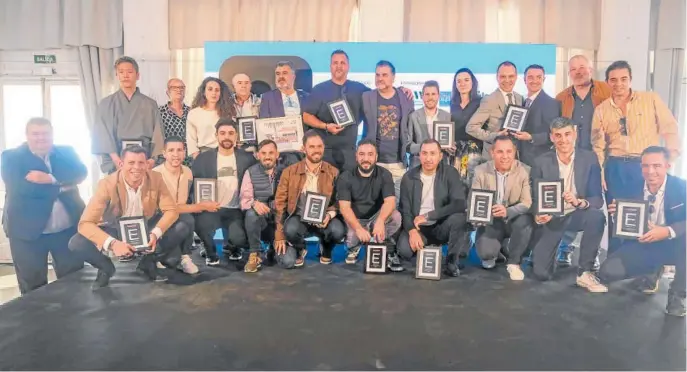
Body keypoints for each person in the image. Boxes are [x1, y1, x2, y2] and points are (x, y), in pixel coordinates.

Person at [592, 60, 681, 255]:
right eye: (613, 80)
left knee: (647, 215)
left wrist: (670, 159)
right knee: (617, 214)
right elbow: (598, 146)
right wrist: (600, 173)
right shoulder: (601, 109)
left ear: (630, 80)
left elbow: (670, 128)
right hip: (615, 167)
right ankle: (616, 260)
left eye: (624, 79)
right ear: (607, 82)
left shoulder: (650, 100)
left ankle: (648, 268)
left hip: (645, 165)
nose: (619, 84)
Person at [67, 146, 181, 289]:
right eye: (131, 163)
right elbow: (85, 223)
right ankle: (106, 267)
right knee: (76, 243)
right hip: (115, 228)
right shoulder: (106, 184)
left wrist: (155, 233)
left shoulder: (156, 178)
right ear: (121, 164)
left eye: (141, 163)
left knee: (183, 224)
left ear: (147, 164)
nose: (137, 167)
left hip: (145, 227)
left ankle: (147, 263)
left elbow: (172, 210)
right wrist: (113, 244)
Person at [1, 118, 86, 294]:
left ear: (52, 134)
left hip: (67, 231)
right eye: (35, 134)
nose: (41, 138)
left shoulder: (67, 152)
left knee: (74, 282)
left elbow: (80, 172)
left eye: (45, 133)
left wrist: (49, 179)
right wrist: (63, 185)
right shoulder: (11, 157)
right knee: (33, 287)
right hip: (27, 232)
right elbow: (21, 189)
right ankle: (36, 322)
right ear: (26, 136)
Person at [598, 146, 686, 317]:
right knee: (608, 271)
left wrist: (667, 231)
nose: (650, 171)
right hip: (644, 243)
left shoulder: (682, 187)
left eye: (656, 166)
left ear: (667, 166)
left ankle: (678, 294)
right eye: (645, 166)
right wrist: (618, 214)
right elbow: (625, 228)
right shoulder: (630, 188)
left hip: (677, 244)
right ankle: (652, 272)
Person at [302, 50, 413, 172]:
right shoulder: (319, 89)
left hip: (350, 153)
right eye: (335, 63)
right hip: (325, 151)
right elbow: (306, 116)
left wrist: (401, 90)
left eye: (342, 63)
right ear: (330, 66)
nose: (339, 66)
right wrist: (326, 126)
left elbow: (383, 91)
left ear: (348, 66)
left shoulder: (360, 90)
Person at [529, 117, 606, 292]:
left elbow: (597, 199)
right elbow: (534, 197)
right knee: (541, 274)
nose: (563, 140)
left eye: (567, 134)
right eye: (558, 135)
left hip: (578, 213)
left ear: (575, 134)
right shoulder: (541, 161)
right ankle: (546, 252)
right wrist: (538, 214)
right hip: (553, 217)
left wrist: (579, 201)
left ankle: (585, 271)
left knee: (596, 216)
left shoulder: (589, 158)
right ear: (551, 137)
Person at [555, 55, 611, 266]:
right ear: (569, 73)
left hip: (598, 157)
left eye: (582, 68)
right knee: (569, 201)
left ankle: (591, 252)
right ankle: (565, 248)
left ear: (591, 69)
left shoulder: (606, 91)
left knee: (594, 205)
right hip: (570, 157)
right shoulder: (561, 97)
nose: (578, 72)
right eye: (573, 69)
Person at [273, 130, 346, 267]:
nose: (316, 150)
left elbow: (339, 201)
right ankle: (300, 248)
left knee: (338, 231)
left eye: (319, 146)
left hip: (324, 218)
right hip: (299, 217)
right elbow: (280, 203)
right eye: (312, 147)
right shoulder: (289, 172)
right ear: (303, 149)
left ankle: (326, 248)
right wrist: (279, 233)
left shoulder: (333, 172)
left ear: (324, 148)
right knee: (289, 239)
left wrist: (329, 215)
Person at [398, 139, 468, 277]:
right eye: (424, 153)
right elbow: (404, 210)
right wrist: (412, 231)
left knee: (460, 218)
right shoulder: (408, 177)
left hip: (441, 225)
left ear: (440, 156)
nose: (428, 158)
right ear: (419, 155)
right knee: (404, 251)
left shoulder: (450, 173)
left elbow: (459, 203)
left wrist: (429, 216)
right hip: (419, 229)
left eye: (432, 153)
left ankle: (451, 261)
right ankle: (427, 250)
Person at [192, 118, 257, 265]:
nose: (226, 136)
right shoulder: (203, 159)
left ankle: (233, 246)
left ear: (236, 136)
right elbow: (194, 187)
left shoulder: (247, 159)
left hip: (235, 209)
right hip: (212, 208)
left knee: (239, 238)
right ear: (216, 136)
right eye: (222, 133)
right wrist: (200, 205)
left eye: (230, 133)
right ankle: (210, 251)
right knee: (200, 222)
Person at [471, 135, 533, 280]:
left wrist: (508, 211)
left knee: (525, 221)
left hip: (514, 218)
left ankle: (514, 263)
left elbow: (527, 202)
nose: (505, 156)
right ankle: (500, 248)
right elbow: (474, 199)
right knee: (487, 257)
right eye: (500, 152)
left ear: (514, 152)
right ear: (492, 153)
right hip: (491, 220)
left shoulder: (525, 170)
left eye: (508, 151)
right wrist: (478, 217)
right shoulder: (480, 170)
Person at [152, 136, 216, 275]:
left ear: (185, 152)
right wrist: (201, 206)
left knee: (187, 219)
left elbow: (182, 203)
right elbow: (168, 208)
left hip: (178, 216)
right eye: (171, 150)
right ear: (164, 153)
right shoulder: (155, 174)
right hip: (158, 220)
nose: (176, 154)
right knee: (186, 220)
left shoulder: (188, 171)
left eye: (180, 150)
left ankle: (184, 257)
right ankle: (154, 256)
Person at [337, 139, 402, 270]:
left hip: (375, 218)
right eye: (361, 154)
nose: (366, 158)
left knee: (396, 217)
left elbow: (390, 201)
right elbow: (344, 208)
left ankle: (384, 243)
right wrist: (358, 228)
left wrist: (380, 221)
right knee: (351, 238)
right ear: (356, 156)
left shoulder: (385, 174)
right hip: (356, 219)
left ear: (376, 157)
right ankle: (354, 248)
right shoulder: (345, 176)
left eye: (370, 154)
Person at [92, 56, 164, 174]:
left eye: (130, 72)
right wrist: (116, 159)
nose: (125, 75)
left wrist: (152, 160)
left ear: (138, 75)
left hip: (143, 160)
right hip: (117, 159)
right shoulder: (106, 104)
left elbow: (158, 134)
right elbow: (102, 135)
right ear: (117, 75)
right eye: (121, 72)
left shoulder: (150, 104)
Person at [361, 60, 414, 199]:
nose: (380, 78)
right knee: (373, 203)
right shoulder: (366, 97)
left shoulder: (406, 97)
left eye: (384, 75)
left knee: (395, 206)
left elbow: (412, 127)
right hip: (374, 161)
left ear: (393, 77)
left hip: (398, 162)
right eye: (377, 74)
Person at [466, 61, 524, 160]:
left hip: (514, 158)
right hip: (493, 158)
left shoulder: (520, 98)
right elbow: (471, 127)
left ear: (516, 77)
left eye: (511, 76)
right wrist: (495, 136)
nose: (507, 80)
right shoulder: (489, 99)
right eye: (503, 76)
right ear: (497, 77)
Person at [239, 139, 282, 273]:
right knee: (251, 213)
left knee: (287, 261)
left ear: (277, 154)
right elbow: (244, 200)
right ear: (257, 155)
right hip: (262, 221)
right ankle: (254, 254)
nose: (267, 156)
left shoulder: (286, 171)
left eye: (271, 153)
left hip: (280, 222)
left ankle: (274, 248)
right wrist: (254, 202)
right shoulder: (250, 172)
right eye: (263, 153)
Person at [259, 61, 310, 167]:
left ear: (293, 76)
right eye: (278, 74)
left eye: (285, 73)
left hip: (303, 152)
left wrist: (307, 144)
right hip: (279, 154)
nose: (281, 77)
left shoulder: (307, 97)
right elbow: (263, 127)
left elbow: (311, 125)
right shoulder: (267, 98)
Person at [514, 64, 561, 167]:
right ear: (524, 80)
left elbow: (553, 134)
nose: (534, 81)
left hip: (539, 160)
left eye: (538, 77)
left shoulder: (551, 103)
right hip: (519, 159)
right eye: (530, 77)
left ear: (544, 79)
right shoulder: (522, 102)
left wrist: (531, 137)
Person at [186, 77, 235, 159]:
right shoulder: (194, 113)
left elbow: (233, 135)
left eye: (217, 90)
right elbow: (191, 140)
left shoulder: (228, 112)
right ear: (204, 92)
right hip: (203, 155)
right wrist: (198, 160)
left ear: (221, 93)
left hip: (226, 153)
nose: (214, 93)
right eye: (210, 89)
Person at [450, 68, 483, 187]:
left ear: (473, 82)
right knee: (456, 186)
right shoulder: (453, 104)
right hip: (456, 152)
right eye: (458, 81)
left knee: (472, 185)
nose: (462, 83)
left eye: (466, 80)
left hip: (475, 151)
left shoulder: (481, 102)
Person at [408, 80, 452, 168]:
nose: (430, 97)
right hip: (418, 165)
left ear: (438, 96)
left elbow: (449, 145)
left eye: (433, 94)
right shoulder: (413, 116)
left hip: (441, 166)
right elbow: (408, 145)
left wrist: (450, 147)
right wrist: (427, 148)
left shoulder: (447, 116)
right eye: (427, 94)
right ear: (422, 96)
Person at [158, 78, 191, 166]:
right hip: (168, 159)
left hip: (189, 160)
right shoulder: (160, 112)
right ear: (168, 92)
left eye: (181, 88)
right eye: (174, 88)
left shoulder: (191, 112)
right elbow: (157, 137)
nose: (179, 90)